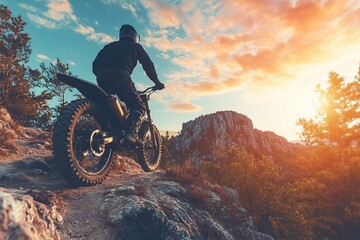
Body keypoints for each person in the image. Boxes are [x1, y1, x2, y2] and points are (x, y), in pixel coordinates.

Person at [92, 24, 165, 142]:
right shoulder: (136, 46)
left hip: (102, 78)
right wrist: (157, 82)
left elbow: (94, 65)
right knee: (139, 105)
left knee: (109, 105)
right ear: (135, 36)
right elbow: (148, 66)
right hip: (121, 76)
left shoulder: (109, 46)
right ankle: (131, 133)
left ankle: (112, 130)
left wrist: (103, 74)